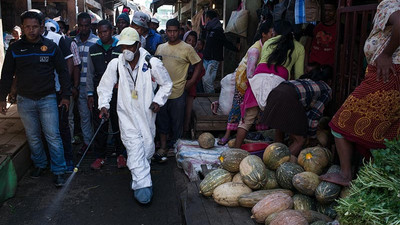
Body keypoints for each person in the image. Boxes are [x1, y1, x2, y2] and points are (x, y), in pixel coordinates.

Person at [320, 0, 400, 186]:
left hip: (386, 76)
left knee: (339, 124)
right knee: (382, 134)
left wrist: (386, 54)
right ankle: (373, 182)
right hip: (389, 75)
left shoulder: (389, 3)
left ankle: (346, 174)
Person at [97, 27, 172, 204]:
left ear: (138, 45)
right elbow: (105, 87)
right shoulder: (116, 64)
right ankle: (143, 186)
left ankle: (139, 173)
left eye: (130, 46)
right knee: (133, 146)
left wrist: (158, 101)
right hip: (126, 114)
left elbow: (167, 84)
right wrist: (103, 105)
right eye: (123, 46)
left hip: (146, 113)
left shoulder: (152, 63)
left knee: (146, 147)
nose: (126, 50)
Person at [0, 10, 71, 187]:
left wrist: (66, 96)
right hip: (25, 100)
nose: (31, 30)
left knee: (53, 136)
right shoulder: (15, 48)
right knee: (32, 136)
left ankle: (59, 170)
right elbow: (7, 74)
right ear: (22, 28)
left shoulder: (51, 46)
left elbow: (63, 71)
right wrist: (2, 98)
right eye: (27, 27)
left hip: (47, 98)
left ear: (41, 27)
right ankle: (40, 164)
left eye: (34, 27)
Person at [234, 20, 305, 148]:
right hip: (278, 83)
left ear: (275, 32)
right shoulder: (299, 47)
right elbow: (299, 75)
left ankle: (235, 150)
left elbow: (262, 62)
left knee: (246, 121)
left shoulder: (269, 42)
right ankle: (277, 152)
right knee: (279, 120)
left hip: (258, 78)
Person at [217, 21, 275, 145]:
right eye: (271, 34)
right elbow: (249, 73)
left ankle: (259, 136)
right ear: (264, 34)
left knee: (260, 108)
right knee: (237, 106)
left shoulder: (268, 47)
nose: (273, 36)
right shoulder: (255, 50)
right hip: (245, 81)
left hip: (257, 81)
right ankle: (227, 135)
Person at [154, 19, 202, 162]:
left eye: (175, 31)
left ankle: (177, 147)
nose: (172, 34)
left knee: (177, 122)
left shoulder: (187, 48)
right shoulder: (161, 48)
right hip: (162, 93)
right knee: (162, 121)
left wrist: (191, 81)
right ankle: (163, 147)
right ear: (166, 31)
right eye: (169, 31)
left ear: (179, 31)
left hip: (179, 92)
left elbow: (198, 64)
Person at [260, 66, 333, 156]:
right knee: (300, 140)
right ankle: (280, 164)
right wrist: (312, 137)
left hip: (275, 92)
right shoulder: (327, 89)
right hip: (288, 98)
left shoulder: (308, 80)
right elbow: (314, 115)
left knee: (279, 128)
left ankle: (273, 157)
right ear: (330, 81)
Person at [86, 20, 126, 170]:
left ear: (111, 31)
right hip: (99, 93)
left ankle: (121, 154)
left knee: (118, 124)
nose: (103, 34)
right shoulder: (93, 49)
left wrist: (121, 84)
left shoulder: (120, 48)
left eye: (106, 31)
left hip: (118, 93)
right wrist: (90, 94)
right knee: (100, 125)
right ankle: (100, 156)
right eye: (100, 32)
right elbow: (89, 73)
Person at [75, 12, 99, 155]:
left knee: (96, 116)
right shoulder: (73, 41)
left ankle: (99, 143)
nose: (83, 28)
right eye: (81, 26)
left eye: (86, 26)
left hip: (93, 86)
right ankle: (87, 142)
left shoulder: (96, 42)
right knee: (84, 116)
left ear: (90, 25)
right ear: (78, 26)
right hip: (80, 86)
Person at [202, 10, 239, 93]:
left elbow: (225, 42)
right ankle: (208, 95)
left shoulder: (217, 30)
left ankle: (211, 97)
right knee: (204, 80)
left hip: (213, 60)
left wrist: (236, 48)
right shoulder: (208, 29)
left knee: (207, 81)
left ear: (207, 18)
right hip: (206, 58)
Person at [183, 31, 206, 137]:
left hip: (191, 86)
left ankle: (186, 130)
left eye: (193, 41)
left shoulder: (198, 56)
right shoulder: (180, 52)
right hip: (178, 85)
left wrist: (192, 81)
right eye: (189, 40)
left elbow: (201, 71)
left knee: (188, 110)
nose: (191, 43)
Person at [304, 0, 337, 69]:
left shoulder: (340, 28)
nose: (326, 13)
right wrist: (306, 66)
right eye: (324, 10)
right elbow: (307, 48)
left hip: (329, 69)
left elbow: (341, 51)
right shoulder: (313, 25)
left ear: (335, 11)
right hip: (312, 66)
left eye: (330, 10)